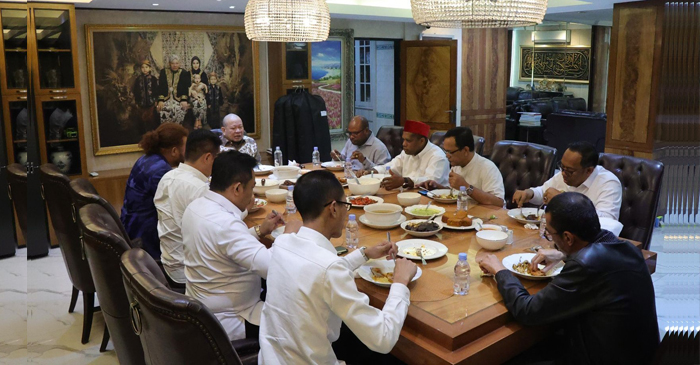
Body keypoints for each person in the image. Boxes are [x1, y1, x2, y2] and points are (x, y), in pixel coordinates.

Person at [478, 192, 659, 365]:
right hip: (638, 355)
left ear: (568, 237)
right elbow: (598, 263)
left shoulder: (585, 265)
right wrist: (563, 253)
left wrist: (500, 271)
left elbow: (528, 311)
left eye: (550, 234)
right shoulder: (625, 248)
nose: (550, 239)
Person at [259, 170, 417, 364]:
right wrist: (400, 282)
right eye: (346, 205)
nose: (346, 212)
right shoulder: (330, 268)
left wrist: (364, 254)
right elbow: (382, 339)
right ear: (333, 208)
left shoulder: (283, 243)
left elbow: (316, 272)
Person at [182, 150, 292, 341]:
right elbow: (275, 267)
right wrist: (290, 234)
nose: (252, 194)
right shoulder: (226, 224)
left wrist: (260, 230)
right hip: (233, 319)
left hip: (203, 310)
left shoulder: (196, 206)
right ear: (237, 188)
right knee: (310, 318)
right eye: (252, 187)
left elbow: (222, 246)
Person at [154, 130, 221, 290]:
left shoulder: (168, 177)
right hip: (190, 273)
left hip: (170, 264)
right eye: (216, 157)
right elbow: (218, 238)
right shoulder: (198, 188)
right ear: (207, 157)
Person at [121, 123, 188, 260]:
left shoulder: (148, 159)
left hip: (131, 227)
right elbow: (178, 208)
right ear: (174, 151)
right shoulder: (160, 171)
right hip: (145, 239)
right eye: (185, 146)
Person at [512, 142, 622, 219]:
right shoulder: (564, 174)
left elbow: (607, 221)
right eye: (562, 167)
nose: (563, 173)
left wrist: (564, 201)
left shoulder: (608, 183)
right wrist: (529, 193)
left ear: (589, 171)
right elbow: (544, 192)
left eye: (569, 171)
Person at [418, 126, 504, 206]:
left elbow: (499, 202)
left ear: (465, 150)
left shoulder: (487, 168)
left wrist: (466, 187)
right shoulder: (456, 165)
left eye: (450, 152)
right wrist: (437, 187)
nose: (447, 156)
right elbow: (454, 193)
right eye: (446, 151)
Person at [359, 120, 449, 190]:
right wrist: (370, 172)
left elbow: (430, 183)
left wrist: (404, 181)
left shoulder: (438, 156)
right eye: (403, 139)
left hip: (430, 203)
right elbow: (389, 167)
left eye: (408, 141)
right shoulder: (407, 152)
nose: (403, 144)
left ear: (421, 141)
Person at [157, 54, 191, 125]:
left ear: (179, 64)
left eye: (176, 63)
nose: (175, 65)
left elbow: (185, 88)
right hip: (166, 98)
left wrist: (184, 100)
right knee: (164, 109)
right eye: (173, 63)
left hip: (178, 99)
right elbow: (161, 87)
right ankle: (166, 129)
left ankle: (177, 128)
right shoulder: (164, 72)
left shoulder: (183, 73)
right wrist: (160, 100)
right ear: (169, 64)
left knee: (180, 109)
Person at [132, 60, 160, 134]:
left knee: (151, 120)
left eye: (146, 67)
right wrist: (137, 102)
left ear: (150, 68)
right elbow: (136, 91)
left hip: (151, 104)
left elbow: (156, 91)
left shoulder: (153, 79)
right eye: (143, 67)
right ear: (141, 69)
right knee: (142, 120)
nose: (144, 69)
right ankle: (143, 135)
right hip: (141, 104)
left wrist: (155, 101)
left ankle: (152, 134)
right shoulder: (138, 80)